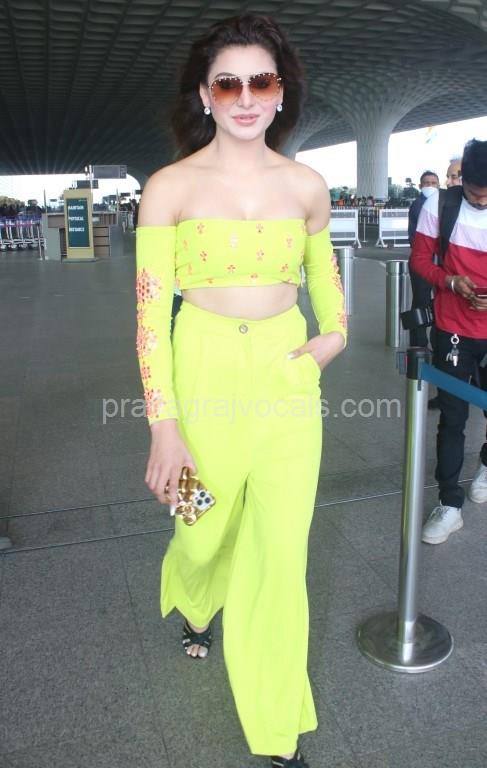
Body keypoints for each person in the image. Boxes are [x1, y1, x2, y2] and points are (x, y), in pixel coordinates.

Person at [135, 14, 346, 767]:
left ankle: (276, 725)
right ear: (205, 94)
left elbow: (324, 276)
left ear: (281, 92)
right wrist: (164, 427)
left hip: (288, 382)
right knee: (199, 527)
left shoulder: (306, 186)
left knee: (279, 556)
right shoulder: (169, 188)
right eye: (229, 83)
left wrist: (333, 336)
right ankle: (195, 594)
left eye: (262, 81)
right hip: (202, 378)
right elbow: (149, 318)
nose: (246, 97)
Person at [410, 138, 487, 545]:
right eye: (474, 193)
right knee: (453, 417)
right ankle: (449, 503)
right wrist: (451, 281)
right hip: (452, 327)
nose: (481, 200)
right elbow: (420, 260)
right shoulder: (439, 205)